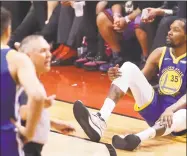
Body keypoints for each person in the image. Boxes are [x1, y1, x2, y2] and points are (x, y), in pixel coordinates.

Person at [73, 19, 186, 151]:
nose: (170, 32)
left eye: (176, 30)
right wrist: (120, 79)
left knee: (183, 113)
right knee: (128, 67)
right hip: (156, 110)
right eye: (170, 29)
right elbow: (137, 83)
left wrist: (171, 109)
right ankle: (100, 120)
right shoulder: (160, 53)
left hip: (179, 119)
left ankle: (136, 138)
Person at [15, 35, 75, 156]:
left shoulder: (30, 80)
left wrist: (51, 122)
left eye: (49, 50)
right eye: (42, 51)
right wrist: (40, 104)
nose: (49, 54)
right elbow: (21, 113)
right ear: (28, 57)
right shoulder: (27, 84)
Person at [1, 7, 46, 156]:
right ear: (8, 31)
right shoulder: (16, 59)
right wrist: (29, 132)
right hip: (5, 140)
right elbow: (38, 96)